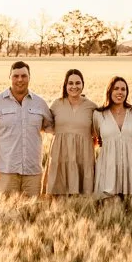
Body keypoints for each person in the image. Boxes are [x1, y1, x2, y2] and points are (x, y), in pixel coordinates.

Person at [0, 61, 53, 197]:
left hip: (33, 172)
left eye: (24, 76)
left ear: (29, 78)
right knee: (6, 214)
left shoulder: (40, 103)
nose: (20, 80)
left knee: (32, 215)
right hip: (6, 171)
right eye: (16, 76)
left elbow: (52, 128)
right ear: (10, 77)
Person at [93, 76, 132, 204]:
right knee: (109, 207)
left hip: (131, 165)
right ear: (109, 91)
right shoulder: (98, 114)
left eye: (123, 89)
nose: (120, 92)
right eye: (116, 88)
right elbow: (96, 136)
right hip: (108, 166)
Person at [44, 68, 97, 197]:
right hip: (60, 154)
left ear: (83, 84)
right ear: (65, 85)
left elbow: (98, 131)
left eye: (78, 83)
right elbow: (46, 125)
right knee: (58, 197)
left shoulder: (92, 106)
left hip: (83, 155)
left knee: (83, 196)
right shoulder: (56, 104)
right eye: (70, 83)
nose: (74, 86)